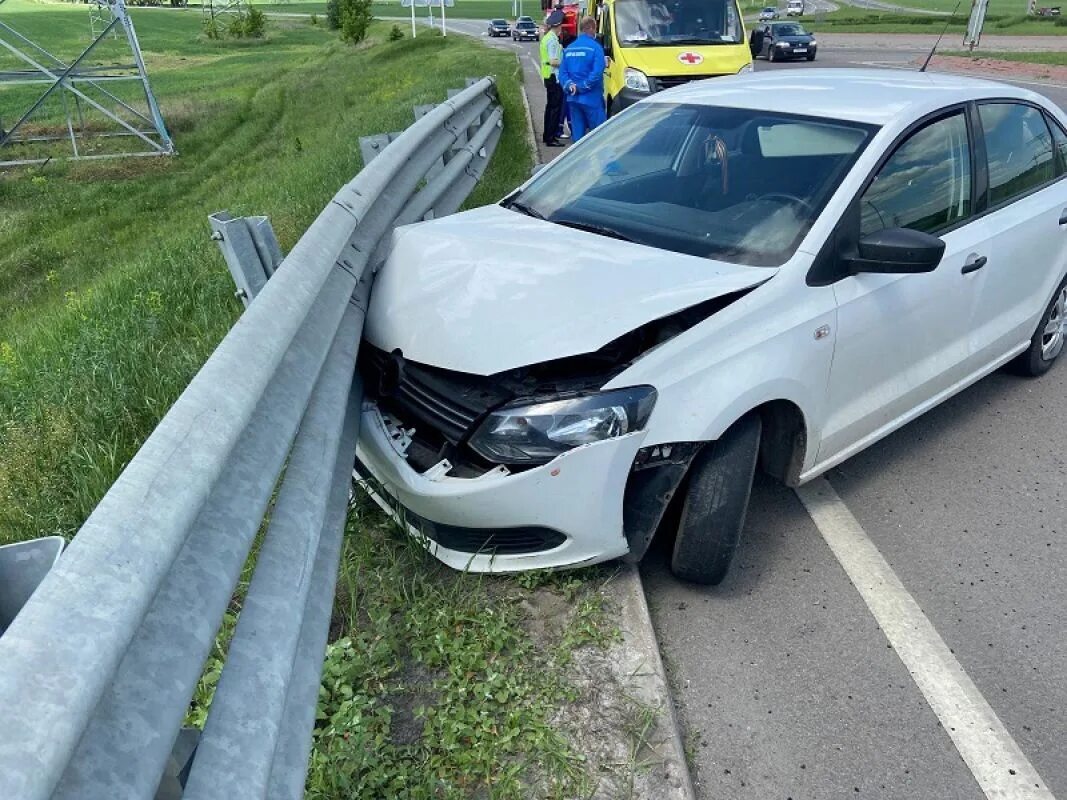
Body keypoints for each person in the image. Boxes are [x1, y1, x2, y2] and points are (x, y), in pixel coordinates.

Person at [557, 16, 607, 141]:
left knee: (578, 137)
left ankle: (578, 159)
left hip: (573, 99)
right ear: (591, 28)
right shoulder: (596, 48)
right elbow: (597, 73)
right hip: (592, 99)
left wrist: (570, 86)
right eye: (595, 29)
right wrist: (582, 87)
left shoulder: (569, 49)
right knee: (599, 136)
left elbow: (562, 73)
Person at [540, 11, 566, 148]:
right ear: (558, 26)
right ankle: (551, 138)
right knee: (555, 108)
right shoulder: (552, 40)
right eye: (561, 25)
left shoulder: (548, 37)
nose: (562, 27)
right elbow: (553, 61)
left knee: (550, 107)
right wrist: (565, 63)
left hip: (548, 76)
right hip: (553, 77)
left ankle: (547, 135)